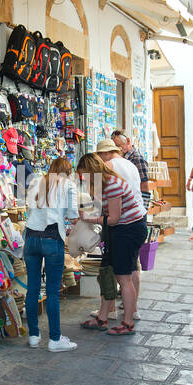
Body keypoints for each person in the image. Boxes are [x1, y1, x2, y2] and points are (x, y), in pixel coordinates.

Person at [75, 150, 146, 336]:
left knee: (123, 277)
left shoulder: (112, 185)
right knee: (106, 272)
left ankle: (128, 323)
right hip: (118, 230)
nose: (81, 177)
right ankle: (102, 317)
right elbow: (100, 210)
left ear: (91, 170)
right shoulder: (100, 184)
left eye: (83, 173)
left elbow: (113, 218)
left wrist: (89, 219)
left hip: (129, 230)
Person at [23, 157, 79, 352]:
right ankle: (55, 339)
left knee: (32, 288)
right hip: (52, 237)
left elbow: (29, 208)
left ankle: (33, 336)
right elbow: (72, 215)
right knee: (53, 292)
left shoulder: (37, 181)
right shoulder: (69, 185)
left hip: (31, 238)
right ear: (68, 170)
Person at [95, 137, 143, 310]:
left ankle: (110, 309)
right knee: (133, 265)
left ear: (106, 153)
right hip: (137, 216)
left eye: (99, 156)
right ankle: (132, 307)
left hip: (122, 221)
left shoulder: (109, 166)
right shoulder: (129, 163)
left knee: (117, 270)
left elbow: (105, 198)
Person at [112, 129, 152, 208]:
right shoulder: (119, 159)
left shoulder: (137, 159)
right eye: (115, 147)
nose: (118, 149)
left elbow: (144, 186)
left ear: (128, 141)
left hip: (135, 207)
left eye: (120, 145)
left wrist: (143, 209)